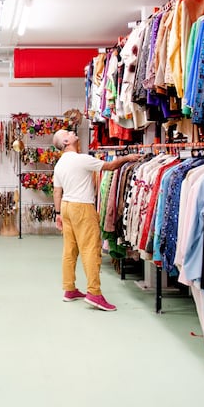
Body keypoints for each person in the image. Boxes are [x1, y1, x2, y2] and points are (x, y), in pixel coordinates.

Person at [52, 129, 140, 311]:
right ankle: (94, 293)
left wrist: (58, 213)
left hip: (67, 206)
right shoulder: (81, 159)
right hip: (82, 207)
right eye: (68, 132)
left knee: (70, 250)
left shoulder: (59, 164)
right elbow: (110, 166)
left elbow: (56, 191)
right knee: (91, 249)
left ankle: (69, 289)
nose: (72, 131)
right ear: (66, 141)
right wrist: (127, 158)